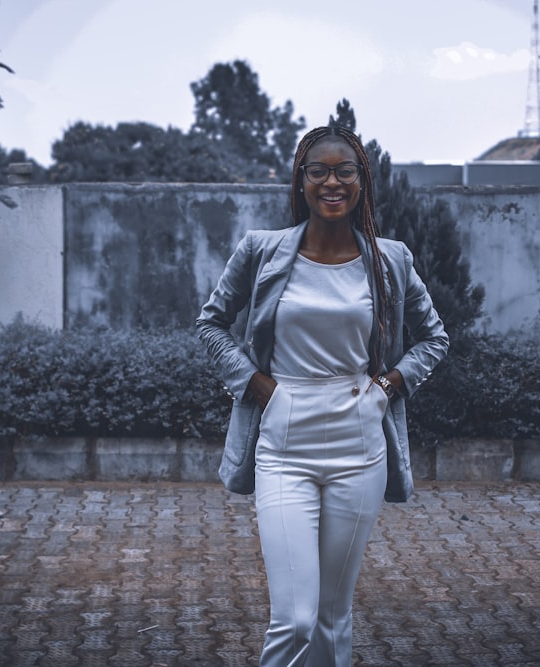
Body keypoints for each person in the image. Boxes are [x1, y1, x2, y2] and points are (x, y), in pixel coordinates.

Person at [196, 125, 448, 666]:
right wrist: (260, 386)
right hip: (285, 444)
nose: (332, 181)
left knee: (333, 620)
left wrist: (388, 386)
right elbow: (212, 323)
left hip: (361, 449)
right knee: (297, 619)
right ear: (301, 179)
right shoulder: (262, 251)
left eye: (344, 170)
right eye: (319, 171)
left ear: (362, 181)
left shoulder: (391, 259)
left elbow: (435, 338)